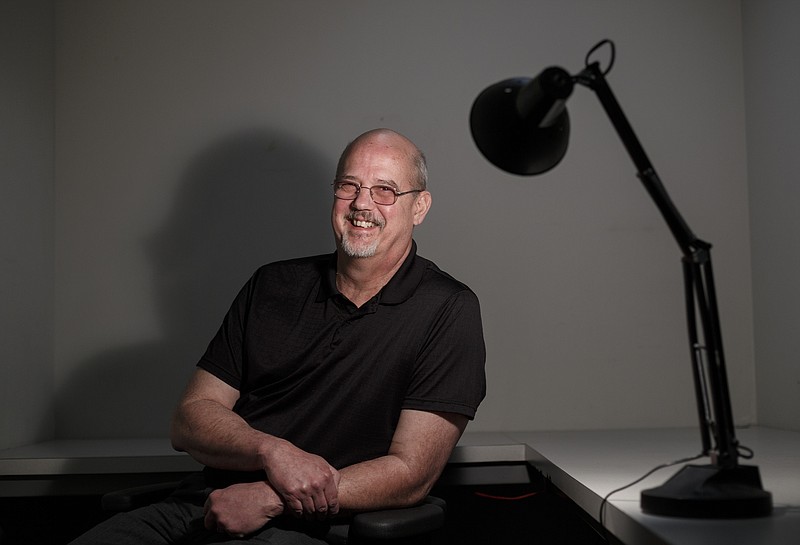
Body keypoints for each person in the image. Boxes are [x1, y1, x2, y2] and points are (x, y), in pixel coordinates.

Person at [70, 128, 486, 544]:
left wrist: (272, 497)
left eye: (385, 190)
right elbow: (191, 418)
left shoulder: (449, 309)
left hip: (317, 528)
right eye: (349, 186)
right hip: (200, 506)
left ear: (420, 207)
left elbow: (411, 474)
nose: (362, 204)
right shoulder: (272, 285)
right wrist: (274, 452)